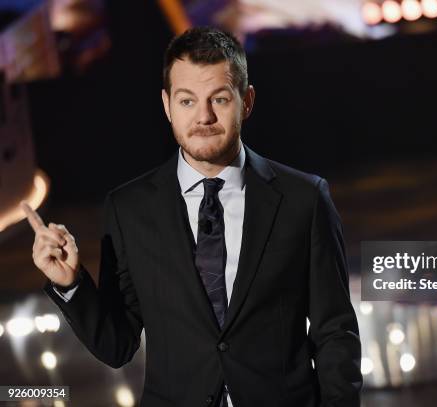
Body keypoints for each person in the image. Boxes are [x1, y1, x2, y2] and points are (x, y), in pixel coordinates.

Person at [21, 27, 362, 407]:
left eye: (219, 99)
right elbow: (117, 346)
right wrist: (71, 282)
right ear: (166, 105)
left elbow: (336, 333)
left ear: (246, 101)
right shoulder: (129, 209)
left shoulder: (305, 199)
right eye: (187, 101)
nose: (204, 116)